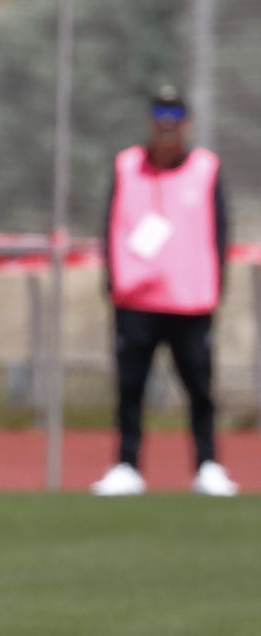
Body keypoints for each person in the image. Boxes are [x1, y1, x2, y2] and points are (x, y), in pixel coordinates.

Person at [91, 85, 238, 497]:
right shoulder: (127, 166)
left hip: (190, 301)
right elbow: (109, 226)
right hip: (136, 300)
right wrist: (112, 282)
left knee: (200, 389)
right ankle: (127, 465)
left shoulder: (205, 168)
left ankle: (208, 465)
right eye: (160, 118)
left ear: (186, 125)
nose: (166, 128)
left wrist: (216, 287)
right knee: (129, 388)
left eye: (174, 119)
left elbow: (221, 231)